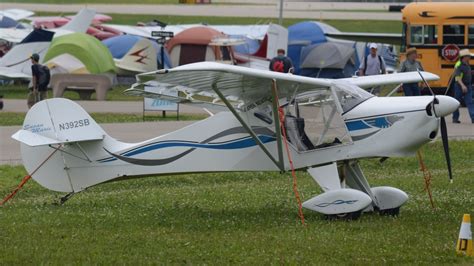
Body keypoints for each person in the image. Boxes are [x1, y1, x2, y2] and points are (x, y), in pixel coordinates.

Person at [452, 49, 474, 124]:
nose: (470, 57)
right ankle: (455, 118)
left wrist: (471, 72)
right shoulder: (459, 65)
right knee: (457, 103)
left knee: (470, 102)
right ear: (464, 57)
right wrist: (462, 86)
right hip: (459, 86)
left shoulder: (467, 63)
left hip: (468, 85)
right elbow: (458, 77)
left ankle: (473, 118)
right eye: (468, 56)